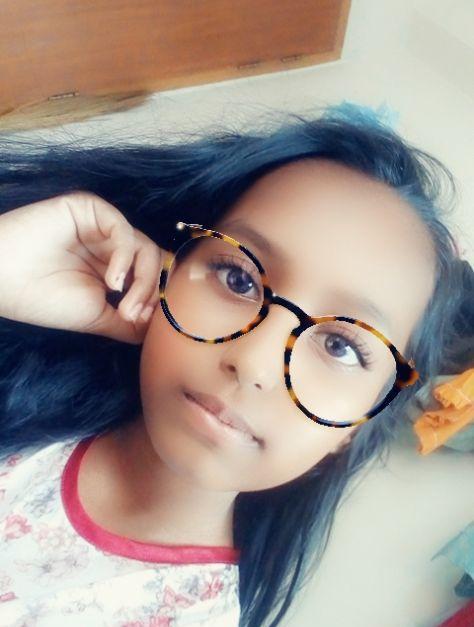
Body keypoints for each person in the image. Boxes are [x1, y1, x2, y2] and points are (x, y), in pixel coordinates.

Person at [0, 102, 470, 626]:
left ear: (360, 423)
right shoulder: (29, 396)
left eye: (341, 346)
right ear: (168, 267)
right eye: (238, 278)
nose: (253, 363)